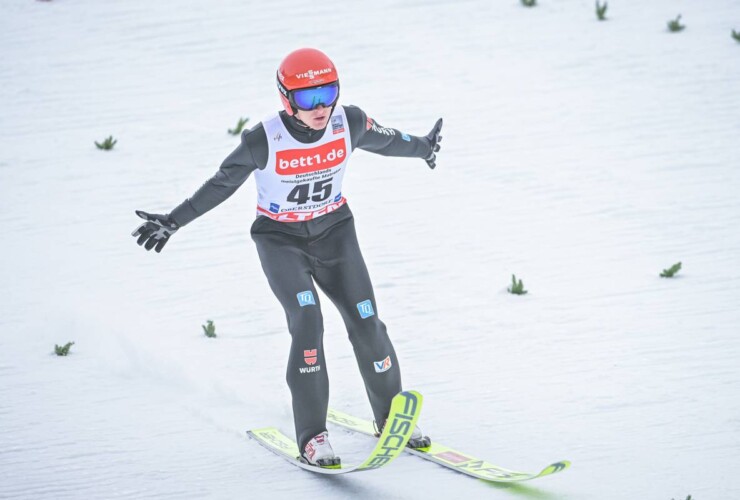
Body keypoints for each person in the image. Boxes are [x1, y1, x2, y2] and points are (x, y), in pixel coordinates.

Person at [132, 47, 443, 467]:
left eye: (328, 92)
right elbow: (221, 184)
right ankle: (313, 437)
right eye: (308, 97)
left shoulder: (347, 121)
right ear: (286, 98)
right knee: (308, 320)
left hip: (335, 234)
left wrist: (423, 147)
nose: (321, 107)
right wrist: (174, 220)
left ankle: (391, 418)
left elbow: (386, 140)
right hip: (281, 242)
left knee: (367, 321)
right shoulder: (263, 139)